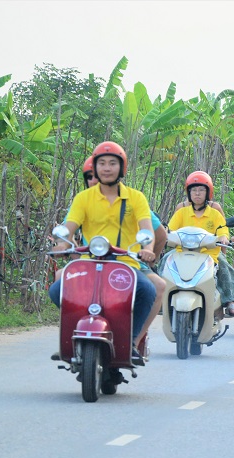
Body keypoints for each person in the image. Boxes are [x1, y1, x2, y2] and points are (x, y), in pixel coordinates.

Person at [49, 141, 164, 365]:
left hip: (126, 263)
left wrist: (147, 249)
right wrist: (61, 244)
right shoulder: (83, 198)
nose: (107, 168)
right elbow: (69, 227)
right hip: (90, 262)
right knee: (56, 290)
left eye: (112, 163)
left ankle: (131, 342)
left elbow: (147, 230)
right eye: (101, 163)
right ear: (95, 167)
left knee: (149, 290)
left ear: (122, 168)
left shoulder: (136, 197)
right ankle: (74, 335)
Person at [167, 171, 234, 317]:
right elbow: (170, 229)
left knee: (225, 268)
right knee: (165, 262)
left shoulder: (214, 212)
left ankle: (230, 301)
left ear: (208, 192)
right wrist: (164, 234)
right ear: (188, 193)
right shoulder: (181, 211)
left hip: (209, 254)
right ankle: (161, 298)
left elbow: (222, 229)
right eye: (193, 190)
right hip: (181, 252)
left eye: (201, 190)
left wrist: (223, 238)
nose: (197, 193)